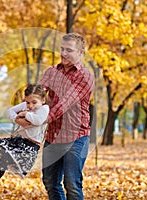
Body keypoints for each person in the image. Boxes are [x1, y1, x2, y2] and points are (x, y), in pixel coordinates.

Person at [18, 32, 95, 199]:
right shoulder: (51, 72)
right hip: (53, 137)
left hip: (76, 138)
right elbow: (37, 98)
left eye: (69, 50)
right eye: (62, 49)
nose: (64, 53)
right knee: (50, 182)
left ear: (80, 53)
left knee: (72, 184)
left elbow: (64, 104)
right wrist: (21, 113)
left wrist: (37, 119)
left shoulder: (85, 76)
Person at [0, 84, 49, 198]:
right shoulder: (27, 106)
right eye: (27, 102)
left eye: (34, 102)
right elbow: (10, 111)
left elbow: (38, 120)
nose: (30, 106)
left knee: (5, 154)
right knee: (1, 148)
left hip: (28, 148)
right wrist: (17, 119)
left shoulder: (44, 109)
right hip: (16, 142)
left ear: (43, 100)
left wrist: (25, 114)